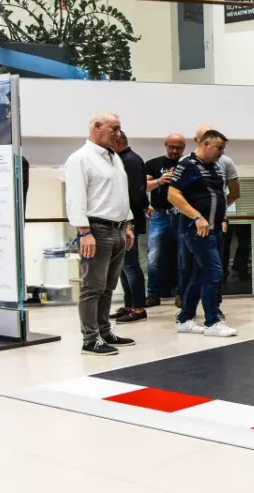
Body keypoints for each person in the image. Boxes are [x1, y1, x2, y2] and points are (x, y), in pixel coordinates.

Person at [63, 113, 137, 356]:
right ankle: (90, 339)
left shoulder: (114, 158)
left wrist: (127, 225)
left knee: (108, 287)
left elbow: (121, 193)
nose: (118, 133)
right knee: (92, 287)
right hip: (96, 229)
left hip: (117, 228)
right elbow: (75, 198)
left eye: (119, 129)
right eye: (114, 128)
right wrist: (84, 232)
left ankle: (104, 331)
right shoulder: (80, 158)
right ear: (97, 127)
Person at [168, 129, 238, 337]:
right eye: (219, 148)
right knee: (213, 273)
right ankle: (212, 322)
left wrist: (220, 216)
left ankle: (185, 319)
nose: (221, 152)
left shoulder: (215, 167)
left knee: (199, 275)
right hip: (197, 230)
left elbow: (224, 195)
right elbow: (173, 194)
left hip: (215, 229)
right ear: (205, 144)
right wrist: (197, 216)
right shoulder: (187, 165)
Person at [111, 130, 149, 323]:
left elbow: (136, 190)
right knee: (123, 266)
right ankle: (129, 305)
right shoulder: (122, 159)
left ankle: (138, 308)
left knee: (130, 265)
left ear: (117, 142)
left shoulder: (130, 161)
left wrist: (145, 206)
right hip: (124, 218)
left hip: (130, 220)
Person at [144, 134, 186, 307]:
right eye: (171, 147)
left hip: (182, 214)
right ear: (165, 145)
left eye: (179, 148)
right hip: (159, 214)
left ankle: (181, 294)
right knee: (153, 257)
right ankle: (153, 294)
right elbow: (144, 186)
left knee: (183, 256)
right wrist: (160, 181)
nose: (175, 151)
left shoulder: (188, 164)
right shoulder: (153, 164)